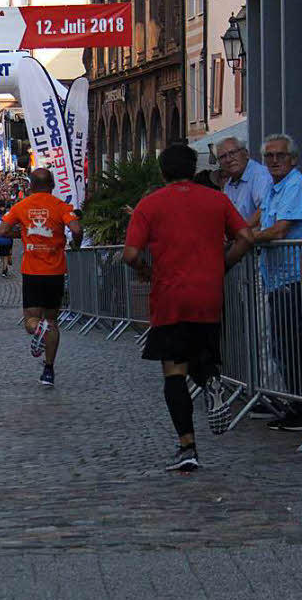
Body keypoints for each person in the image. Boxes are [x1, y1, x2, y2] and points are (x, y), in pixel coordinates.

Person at [124, 144, 253, 471]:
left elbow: (129, 254)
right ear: (194, 167)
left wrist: (145, 270)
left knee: (174, 370)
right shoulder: (217, 199)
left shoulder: (149, 205)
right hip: (209, 293)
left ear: (162, 171)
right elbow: (246, 237)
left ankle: (187, 446)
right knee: (202, 353)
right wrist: (223, 266)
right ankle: (211, 380)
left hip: (170, 295)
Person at [0, 168, 82, 388]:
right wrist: (76, 242)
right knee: (52, 321)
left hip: (33, 272)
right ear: (52, 185)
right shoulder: (61, 206)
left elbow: (2, 230)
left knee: (30, 322)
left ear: (31, 186)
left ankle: (39, 330)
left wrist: (22, 234)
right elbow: (76, 227)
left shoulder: (21, 206)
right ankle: (48, 370)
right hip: (55, 272)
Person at [251, 134, 302, 431]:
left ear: (292, 159)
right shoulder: (273, 187)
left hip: (293, 278)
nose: (274, 160)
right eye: (269, 156)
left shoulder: (295, 184)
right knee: (281, 346)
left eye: (280, 155)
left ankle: (298, 404)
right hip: (276, 278)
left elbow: (280, 230)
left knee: (291, 345)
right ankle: (293, 402)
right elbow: (257, 221)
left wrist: (247, 239)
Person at [217, 137, 272, 222]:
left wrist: (242, 231)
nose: (228, 159)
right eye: (223, 157)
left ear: (246, 153)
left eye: (232, 153)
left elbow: (265, 209)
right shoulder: (229, 183)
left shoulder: (260, 175)